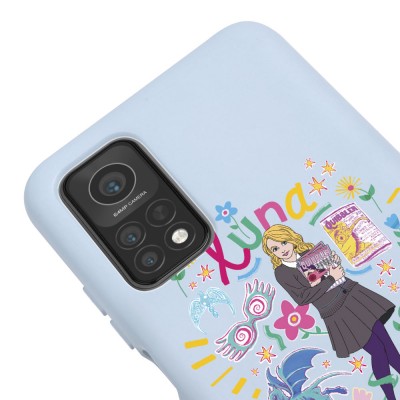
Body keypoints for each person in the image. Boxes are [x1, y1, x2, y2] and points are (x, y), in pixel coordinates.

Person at [262, 224, 399, 400]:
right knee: (378, 350)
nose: (282, 249)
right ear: (271, 253)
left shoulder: (309, 253)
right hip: (337, 311)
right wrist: (330, 279)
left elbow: (330, 274)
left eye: (284, 242)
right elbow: (302, 298)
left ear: (291, 239)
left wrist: (333, 265)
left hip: (352, 295)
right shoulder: (282, 273)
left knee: (388, 346)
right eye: (275, 248)